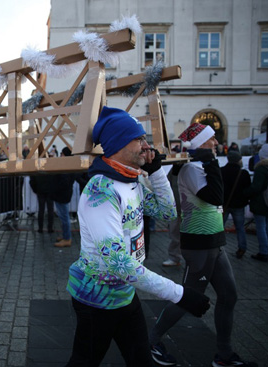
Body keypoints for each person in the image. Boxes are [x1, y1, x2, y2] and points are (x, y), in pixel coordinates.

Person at [64, 107, 210, 366]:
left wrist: (156, 172)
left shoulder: (131, 181)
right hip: (96, 302)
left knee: (141, 360)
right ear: (119, 143)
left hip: (125, 293)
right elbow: (119, 264)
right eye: (139, 139)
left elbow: (167, 213)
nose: (146, 146)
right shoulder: (101, 191)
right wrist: (180, 294)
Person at [149, 123, 256, 367]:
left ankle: (224, 355)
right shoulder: (192, 169)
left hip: (214, 242)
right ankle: (151, 340)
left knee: (229, 296)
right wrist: (210, 162)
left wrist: (210, 162)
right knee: (189, 297)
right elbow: (215, 196)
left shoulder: (200, 166)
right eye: (212, 140)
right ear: (201, 145)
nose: (217, 143)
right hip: (199, 244)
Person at [221, 151, 251, 259]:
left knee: (219, 227)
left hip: (223, 204)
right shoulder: (243, 173)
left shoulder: (221, 171)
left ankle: (218, 248)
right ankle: (242, 248)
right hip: (239, 205)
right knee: (240, 228)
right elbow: (247, 189)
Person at [52, 147, 76, 248]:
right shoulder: (69, 165)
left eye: (62, 154)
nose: (60, 156)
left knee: (64, 218)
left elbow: (64, 182)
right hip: (62, 195)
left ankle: (67, 238)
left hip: (62, 195)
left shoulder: (67, 167)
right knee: (63, 218)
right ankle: (65, 236)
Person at [162, 163, 184, 267]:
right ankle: (174, 257)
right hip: (175, 209)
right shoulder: (172, 171)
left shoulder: (189, 169)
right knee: (175, 235)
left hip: (188, 209)